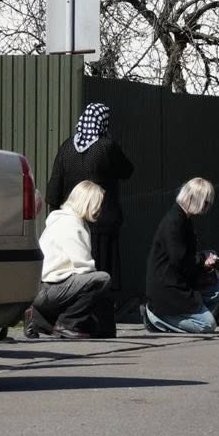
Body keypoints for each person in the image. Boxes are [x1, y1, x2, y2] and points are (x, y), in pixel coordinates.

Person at [46, 103, 135, 295]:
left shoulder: (66, 147)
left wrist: (55, 216)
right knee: (103, 268)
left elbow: (54, 186)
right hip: (102, 220)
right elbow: (127, 170)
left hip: (73, 220)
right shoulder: (106, 146)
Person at [25, 180, 115, 339]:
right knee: (101, 280)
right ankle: (67, 324)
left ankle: (39, 319)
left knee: (93, 324)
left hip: (40, 287)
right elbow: (84, 267)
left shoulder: (60, 220)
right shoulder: (72, 225)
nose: (99, 209)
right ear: (87, 203)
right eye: (97, 204)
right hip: (49, 289)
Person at [142, 178, 219, 335]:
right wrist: (203, 260)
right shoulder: (174, 222)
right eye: (205, 202)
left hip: (179, 282)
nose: (207, 207)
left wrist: (204, 258)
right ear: (195, 199)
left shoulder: (183, 218)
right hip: (168, 289)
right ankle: (158, 318)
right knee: (207, 325)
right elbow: (180, 261)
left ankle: (191, 317)